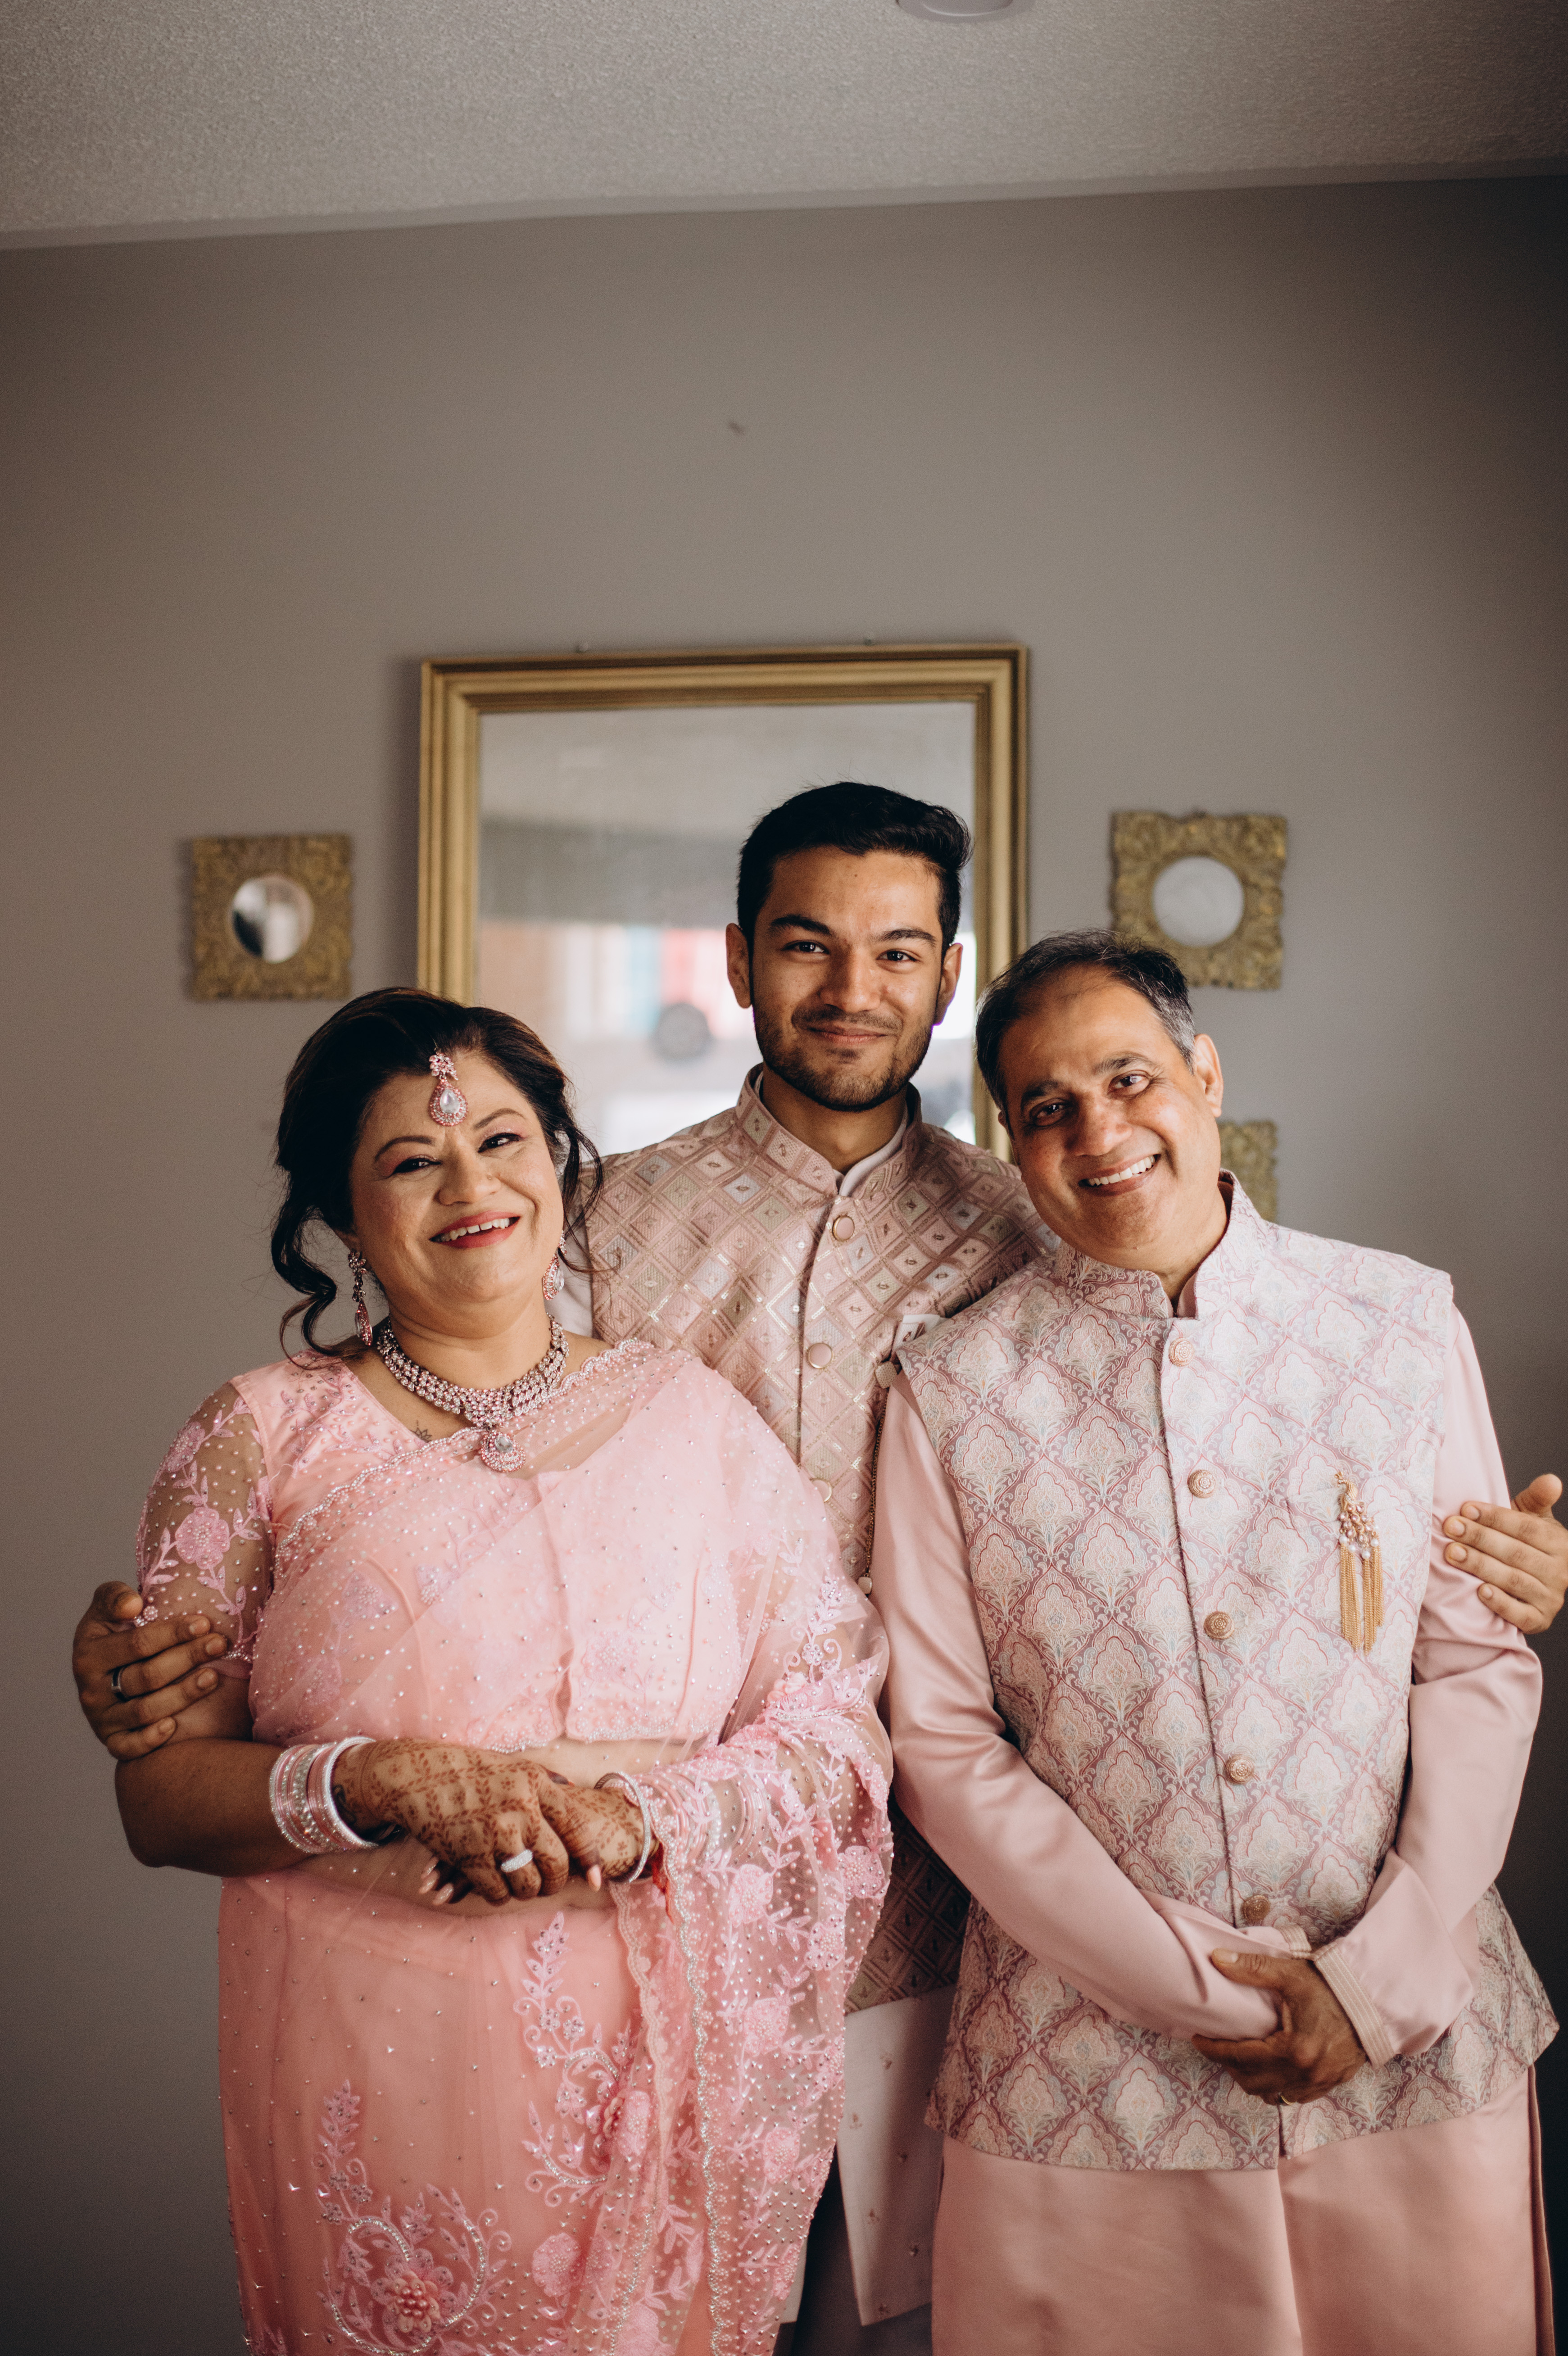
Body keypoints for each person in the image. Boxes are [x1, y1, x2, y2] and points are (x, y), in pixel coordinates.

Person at [109, 990, 893, 2356]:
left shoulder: (692, 1418)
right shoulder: (261, 1438)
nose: (471, 1188)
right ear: (340, 1212)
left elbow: (834, 1729)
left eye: (504, 1142)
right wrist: (376, 1780)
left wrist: (638, 1819)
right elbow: (161, 1799)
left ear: (561, 1162)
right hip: (379, 2058)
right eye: (413, 1159)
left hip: (662, 2037)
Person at [870, 930, 1559, 2355]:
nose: (1097, 1132)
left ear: (1204, 1075)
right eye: (1047, 1108)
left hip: (1411, 2031)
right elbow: (940, 1739)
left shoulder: (1394, 1319)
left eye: (1128, 1080)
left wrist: (1375, 1978)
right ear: (1009, 1140)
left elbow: (1473, 1662)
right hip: (1082, 2072)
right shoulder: (949, 1388)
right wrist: (1188, 1990)